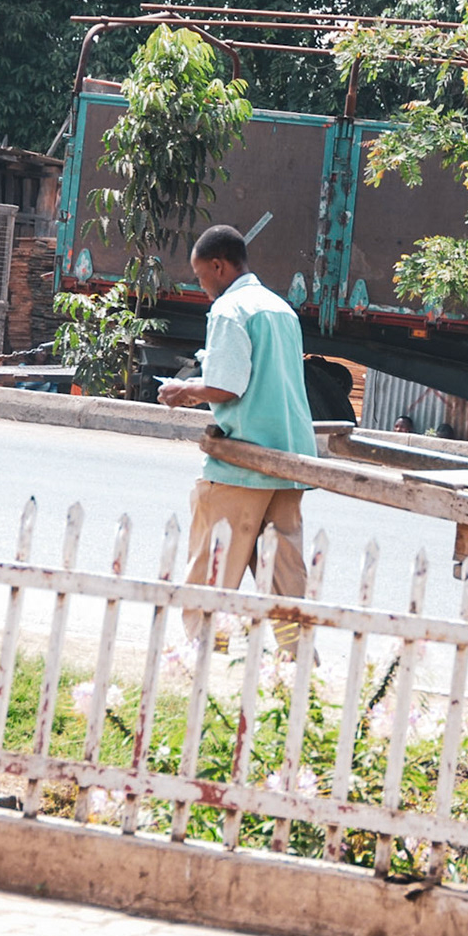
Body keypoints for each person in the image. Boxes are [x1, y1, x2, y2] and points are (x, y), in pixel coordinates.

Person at [157, 225, 315, 645]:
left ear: (218, 266)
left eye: (200, 276)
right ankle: (298, 663)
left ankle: (203, 655)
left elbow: (227, 387)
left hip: (244, 461)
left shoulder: (230, 310)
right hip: (289, 461)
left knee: (213, 571)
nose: (202, 286)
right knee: (284, 579)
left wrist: (183, 390)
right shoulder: (281, 308)